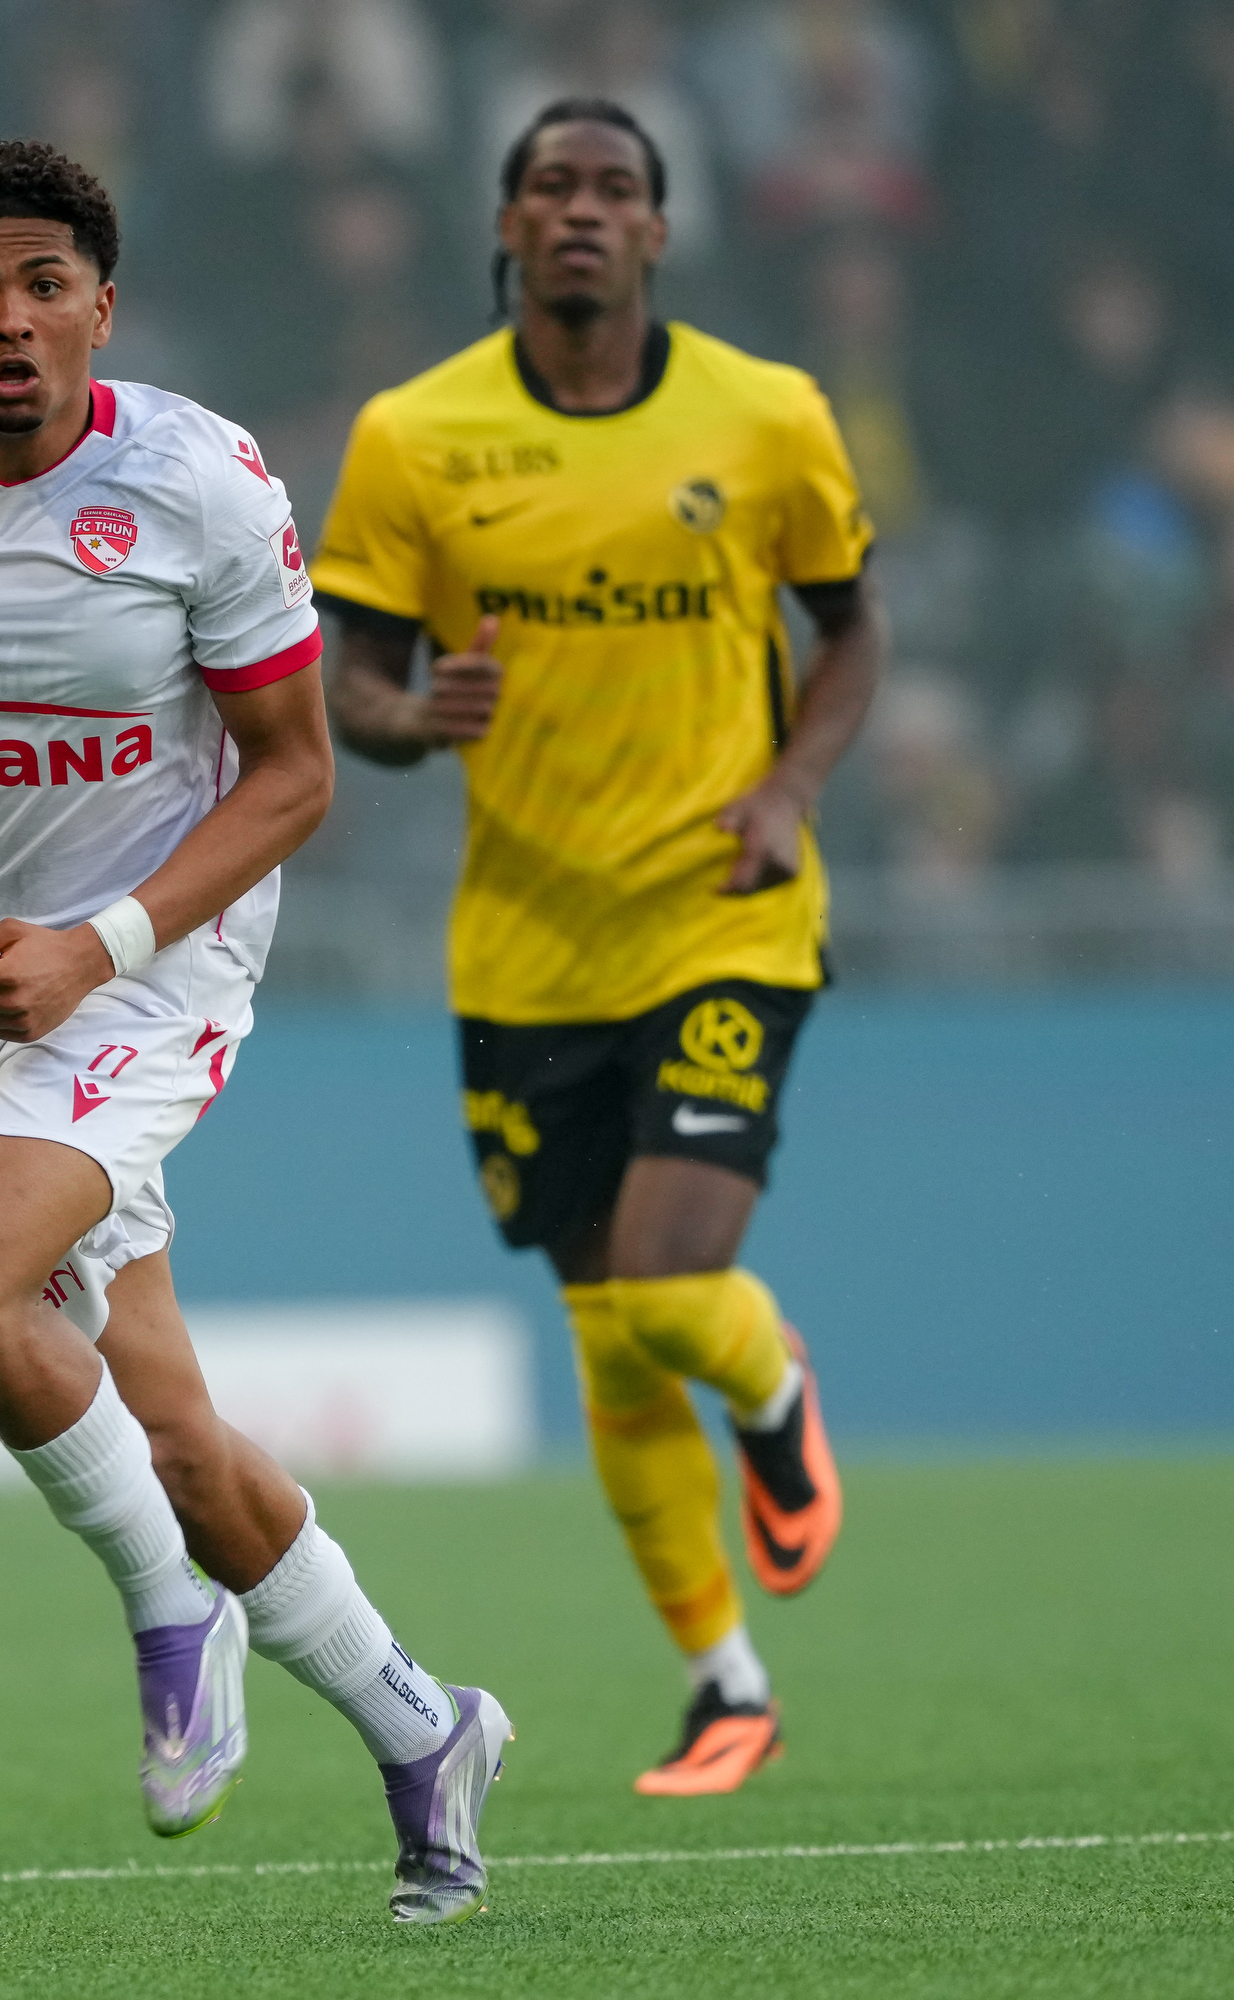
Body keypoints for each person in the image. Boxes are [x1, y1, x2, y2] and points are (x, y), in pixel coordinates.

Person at [0, 139, 510, 1925]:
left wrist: (104, 946)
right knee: (168, 1436)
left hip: (155, 965)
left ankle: (172, 1612)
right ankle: (426, 1730)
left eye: (45, 286)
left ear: (103, 305)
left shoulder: (200, 485)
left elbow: (295, 777)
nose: (12, 320)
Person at [313, 98, 878, 1796]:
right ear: (507, 225)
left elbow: (852, 633)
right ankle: (727, 1686)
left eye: (613, 188)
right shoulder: (416, 437)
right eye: (550, 185)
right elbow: (351, 682)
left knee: (670, 1288)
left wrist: (790, 786)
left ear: (656, 232)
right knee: (611, 1338)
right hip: (524, 954)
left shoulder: (767, 417)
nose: (580, 210)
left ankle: (771, 1388)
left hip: (722, 909)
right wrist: (416, 715)